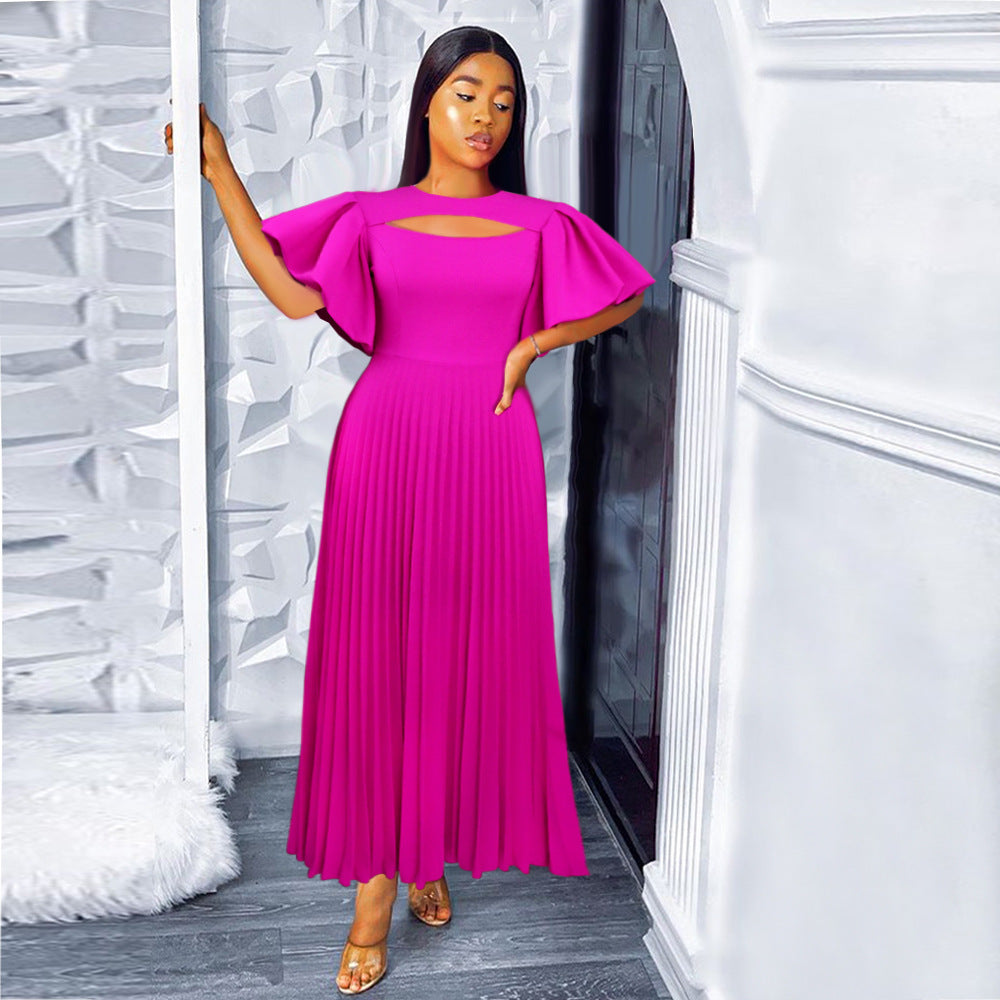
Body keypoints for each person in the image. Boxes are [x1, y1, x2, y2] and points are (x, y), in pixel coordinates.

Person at [164, 24, 655, 996]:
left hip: (491, 447)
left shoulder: (541, 223)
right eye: (466, 93)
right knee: (385, 655)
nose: (484, 117)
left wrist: (533, 345)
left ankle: (422, 843)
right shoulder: (371, 215)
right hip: (386, 442)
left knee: (462, 650)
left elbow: (626, 295)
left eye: (504, 102)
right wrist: (220, 171)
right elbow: (290, 295)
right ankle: (377, 888)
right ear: (427, 102)